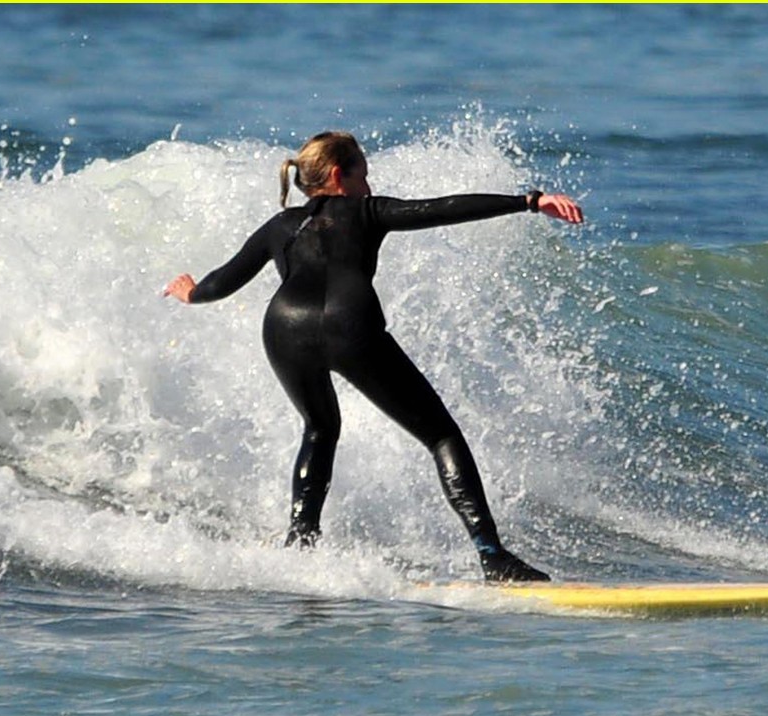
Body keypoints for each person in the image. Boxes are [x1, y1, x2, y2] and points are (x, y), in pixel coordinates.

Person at [164, 131, 583, 581]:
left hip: (284, 328)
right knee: (441, 436)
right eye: (364, 172)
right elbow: (441, 209)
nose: (369, 182)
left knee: (320, 428)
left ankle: (301, 546)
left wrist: (191, 294)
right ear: (340, 176)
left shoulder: (279, 226)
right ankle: (492, 556)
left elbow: (221, 284)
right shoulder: (369, 211)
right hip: (349, 325)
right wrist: (528, 201)